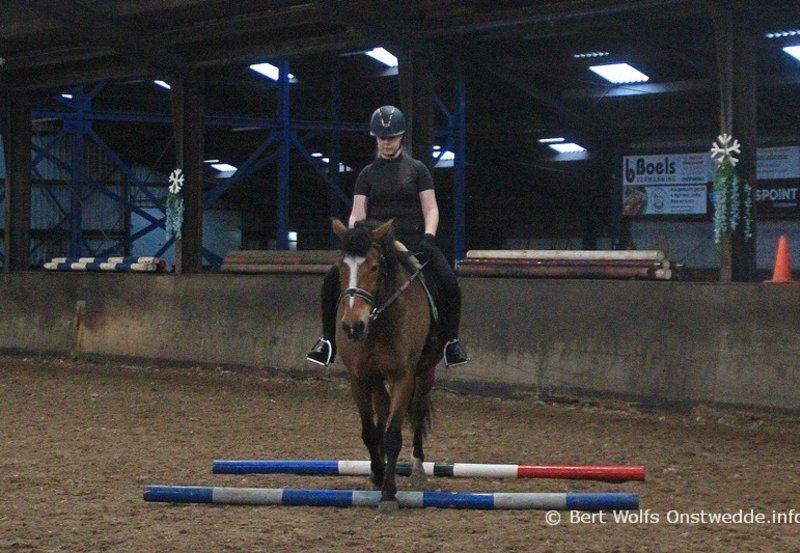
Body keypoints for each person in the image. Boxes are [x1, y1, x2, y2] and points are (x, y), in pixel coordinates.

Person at [306, 105, 469, 369]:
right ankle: (327, 342)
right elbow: (357, 213)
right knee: (330, 280)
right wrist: (355, 236)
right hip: (375, 241)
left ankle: (451, 341)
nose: (386, 143)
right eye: (382, 138)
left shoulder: (417, 170)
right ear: (376, 139)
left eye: (391, 138)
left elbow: (431, 208)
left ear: (401, 137)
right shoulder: (367, 174)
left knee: (449, 281)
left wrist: (429, 236)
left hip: (413, 239)